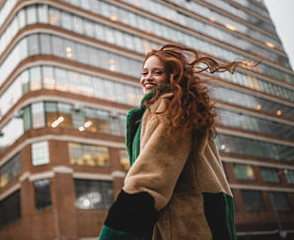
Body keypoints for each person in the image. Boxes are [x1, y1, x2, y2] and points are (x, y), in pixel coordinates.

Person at [99, 44, 241, 240]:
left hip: (188, 223)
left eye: (157, 72)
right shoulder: (184, 108)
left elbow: (150, 177)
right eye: (144, 72)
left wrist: (116, 233)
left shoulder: (168, 108)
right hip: (202, 218)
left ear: (173, 76)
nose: (148, 77)